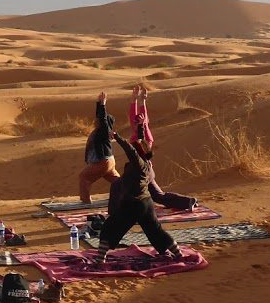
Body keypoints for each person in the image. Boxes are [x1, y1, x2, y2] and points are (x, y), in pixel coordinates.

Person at [94, 131, 182, 264]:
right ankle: (178, 253)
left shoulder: (139, 163)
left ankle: (100, 259)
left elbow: (130, 150)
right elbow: (140, 144)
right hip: (146, 203)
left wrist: (117, 137)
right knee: (156, 231)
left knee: (109, 228)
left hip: (133, 204)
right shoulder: (147, 164)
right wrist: (140, 127)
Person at [129, 85, 197, 212]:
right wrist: (140, 101)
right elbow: (140, 117)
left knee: (130, 193)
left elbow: (136, 121)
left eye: (135, 123)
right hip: (146, 171)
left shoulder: (141, 138)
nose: (133, 123)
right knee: (159, 196)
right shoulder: (146, 132)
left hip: (142, 173)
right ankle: (187, 201)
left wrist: (135, 101)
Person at [78, 91, 121, 203]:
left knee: (84, 178)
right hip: (109, 161)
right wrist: (98, 103)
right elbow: (100, 117)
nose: (95, 121)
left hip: (103, 162)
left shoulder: (104, 131)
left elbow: (102, 119)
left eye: (99, 121)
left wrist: (103, 105)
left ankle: (85, 202)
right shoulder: (101, 131)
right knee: (118, 182)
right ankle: (130, 195)